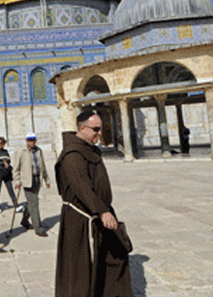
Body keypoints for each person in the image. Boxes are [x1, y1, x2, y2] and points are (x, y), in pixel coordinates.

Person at [54, 110, 134, 297]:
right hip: (82, 219)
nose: (99, 133)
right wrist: (102, 211)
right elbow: (82, 188)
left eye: (101, 129)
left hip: (98, 214)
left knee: (114, 256)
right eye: (95, 129)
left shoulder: (89, 149)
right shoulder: (72, 154)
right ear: (82, 128)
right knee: (82, 268)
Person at [13, 132, 50, 237]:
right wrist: (17, 181)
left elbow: (43, 165)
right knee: (34, 203)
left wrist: (46, 179)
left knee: (31, 203)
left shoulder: (39, 151)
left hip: (37, 179)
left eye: (33, 139)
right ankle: (38, 228)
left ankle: (24, 221)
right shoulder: (21, 151)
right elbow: (16, 169)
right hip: (27, 181)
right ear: (26, 140)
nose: (31, 142)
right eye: (29, 139)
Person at [0, 137, 19, 211]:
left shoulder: (5, 151)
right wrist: (3, 163)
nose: (0, 144)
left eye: (1, 143)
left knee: (11, 190)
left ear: (4, 143)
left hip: (6, 173)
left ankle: (16, 205)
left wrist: (7, 163)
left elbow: (9, 160)